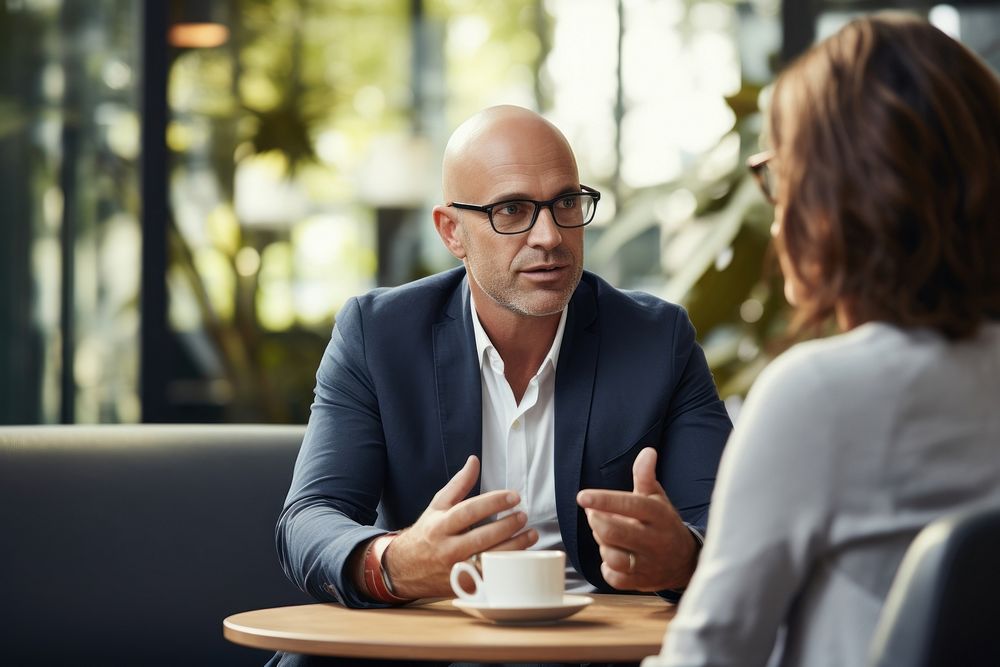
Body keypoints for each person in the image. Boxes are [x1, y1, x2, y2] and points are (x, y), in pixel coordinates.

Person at [275, 104, 732, 627]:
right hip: (430, 645)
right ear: (452, 232)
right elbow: (308, 519)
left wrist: (683, 557)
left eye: (565, 202)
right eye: (512, 210)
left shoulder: (656, 339)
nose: (550, 236)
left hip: (599, 646)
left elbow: (723, 523)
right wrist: (396, 565)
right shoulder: (377, 335)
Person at [642, 13, 1000, 667]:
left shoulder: (821, 394)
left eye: (781, 177)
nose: (777, 222)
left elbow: (710, 655)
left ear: (841, 196)